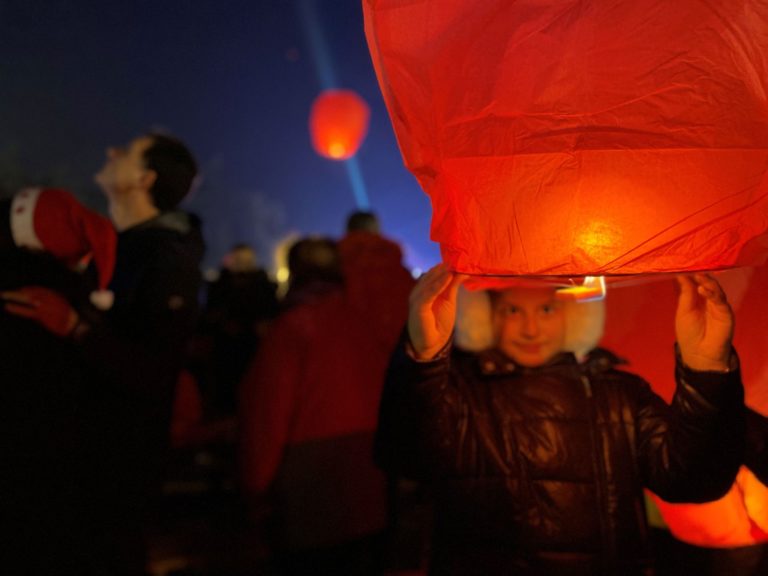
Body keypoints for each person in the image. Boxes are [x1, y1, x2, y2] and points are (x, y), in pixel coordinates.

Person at [375, 264, 744, 575]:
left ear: (574, 313)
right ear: (486, 317)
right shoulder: (457, 394)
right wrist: (422, 362)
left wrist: (707, 370)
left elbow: (693, 480)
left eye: (546, 310)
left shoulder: (619, 393)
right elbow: (406, 456)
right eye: (513, 311)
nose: (531, 329)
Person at [4, 133, 204, 575]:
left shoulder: (167, 261)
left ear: (144, 179)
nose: (111, 151)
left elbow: (154, 370)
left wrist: (76, 329)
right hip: (80, 459)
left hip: (118, 467)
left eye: (126, 152)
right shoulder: (119, 246)